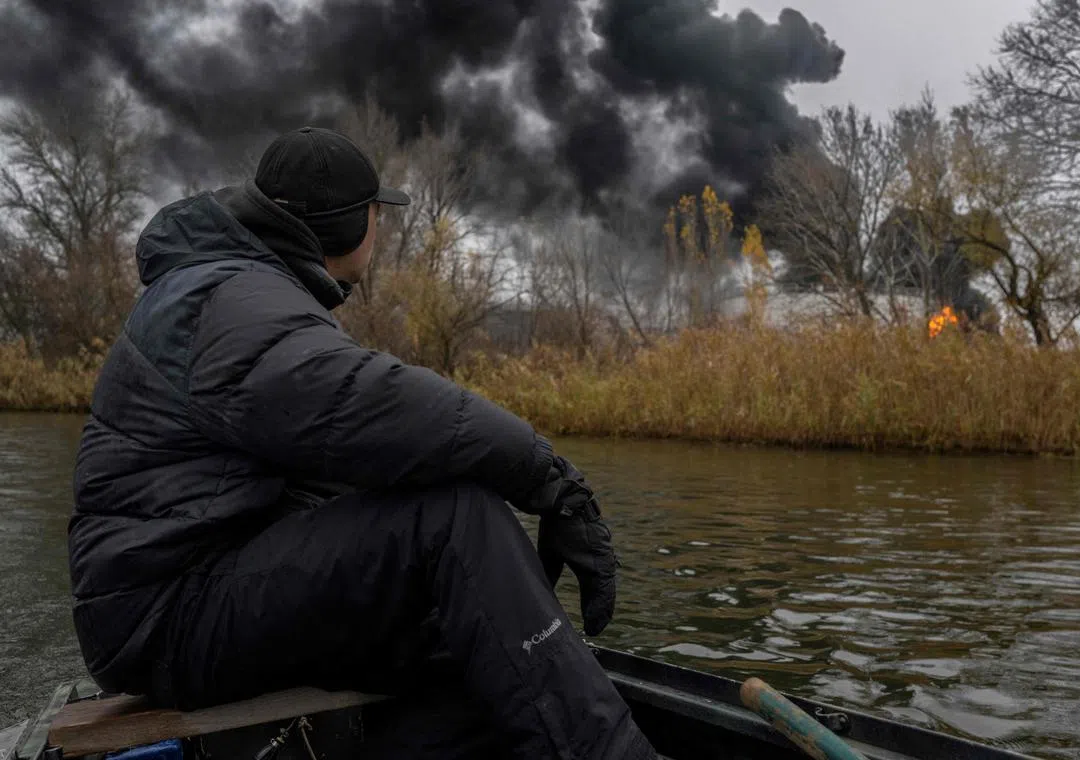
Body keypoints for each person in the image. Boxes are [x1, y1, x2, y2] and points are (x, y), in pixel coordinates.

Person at [68, 126, 657, 759]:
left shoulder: (232, 286)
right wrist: (555, 483)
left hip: (188, 594)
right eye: (379, 213)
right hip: (167, 619)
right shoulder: (231, 301)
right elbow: (379, 402)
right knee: (454, 520)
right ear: (352, 226)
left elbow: (357, 454)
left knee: (446, 601)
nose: (381, 228)